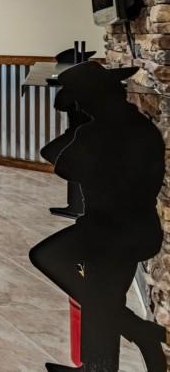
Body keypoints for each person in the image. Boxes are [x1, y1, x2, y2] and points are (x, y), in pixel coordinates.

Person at [29, 62, 166, 371]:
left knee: (52, 259)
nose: (79, 104)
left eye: (80, 98)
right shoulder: (138, 124)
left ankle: (129, 336)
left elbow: (60, 162)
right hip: (136, 227)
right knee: (100, 292)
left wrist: (77, 126)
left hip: (110, 232)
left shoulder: (99, 131)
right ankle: (105, 356)